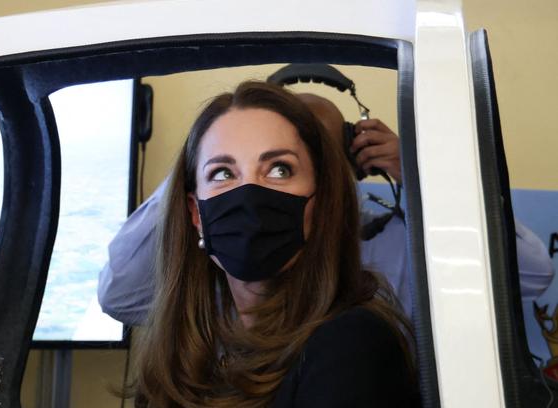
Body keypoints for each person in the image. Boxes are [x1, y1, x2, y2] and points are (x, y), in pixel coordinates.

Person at [133, 81, 423, 408]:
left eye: (279, 169)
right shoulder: (240, 353)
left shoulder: (349, 346)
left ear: (320, 202)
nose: (250, 194)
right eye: (222, 172)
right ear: (196, 215)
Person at [97, 94, 554, 325]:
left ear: (350, 159)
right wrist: (205, 157)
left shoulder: (399, 236)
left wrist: (422, 173)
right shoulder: (232, 240)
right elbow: (121, 296)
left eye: (285, 162)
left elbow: (531, 275)